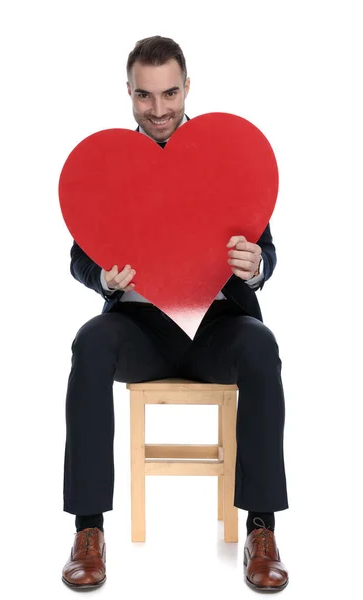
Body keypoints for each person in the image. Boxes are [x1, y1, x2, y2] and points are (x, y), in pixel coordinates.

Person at [61, 35, 289, 593]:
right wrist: (101, 277)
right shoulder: (111, 165)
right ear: (129, 93)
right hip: (139, 331)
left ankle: (262, 527)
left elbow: (267, 249)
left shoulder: (224, 154)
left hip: (216, 328)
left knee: (261, 344)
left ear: (187, 87)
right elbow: (79, 257)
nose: (158, 110)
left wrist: (254, 264)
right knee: (89, 342)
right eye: (144, 96)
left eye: (169, 94)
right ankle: (88, 530)